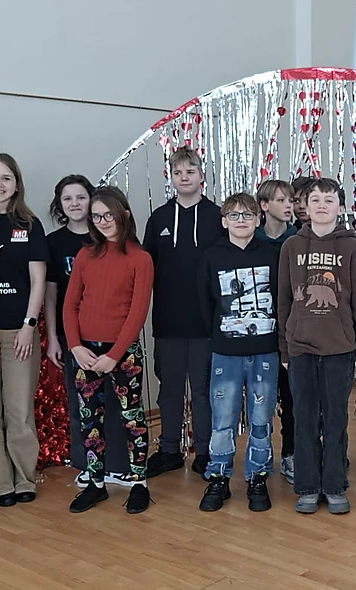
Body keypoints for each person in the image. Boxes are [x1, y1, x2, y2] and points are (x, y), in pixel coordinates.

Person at [277, 178, 356, 515]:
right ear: (305, 206)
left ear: (339, 207)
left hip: (338, 348)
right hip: (300, 348)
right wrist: (285, 347)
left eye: (329, 200)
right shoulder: (291, 246)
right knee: (303, 418)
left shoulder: (352, 247)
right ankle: (307, 486)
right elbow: (283, 299)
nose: (321, 205)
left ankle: (334, 484)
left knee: (334, 419)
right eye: (315, 199)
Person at [63, 186, 155, 514]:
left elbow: (137, 313)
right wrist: (75, 346)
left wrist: (115, 355)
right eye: (96, 216)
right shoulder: (85, 256)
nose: (102, 221)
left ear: (123, 215)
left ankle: (139, 482)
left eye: (108, 215)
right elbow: (70, 304)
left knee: (132, 419)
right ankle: (95, 482)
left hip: (123, 353)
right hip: (85, 352)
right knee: (89, 419)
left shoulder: (140, 259)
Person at [44, 174, 133, 487]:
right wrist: (56, 339)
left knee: (117, 402)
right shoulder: (54, 243)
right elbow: (53, 295)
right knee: (82, 404)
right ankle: (88, 465)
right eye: (67, 198)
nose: (75, 204)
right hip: (75, 338)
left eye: (81, 197)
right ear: (60, 205)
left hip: (114, 338)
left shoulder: (114, 243)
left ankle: (119, 465)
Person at [0, 153, 47, 508]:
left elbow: (38, 281)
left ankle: (24, 479)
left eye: (6, 178)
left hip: (20, 332)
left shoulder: (29, 225)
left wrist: (29, 326)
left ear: (17, 184)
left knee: (18, 410)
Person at [143, 147, 224, 479]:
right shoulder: (159, 218)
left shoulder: (218, 217)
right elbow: (146, 268)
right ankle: (168, 451)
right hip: (168, 323)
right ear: (171, 178)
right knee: (170, 391)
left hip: (207, 323)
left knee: (203, 392)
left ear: (201, 176)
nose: (184, 177)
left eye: (190, 171)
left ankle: (204, 452)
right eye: (178, 172)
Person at [197, 193, 282, 512]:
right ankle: (218, 476)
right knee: (223, 419)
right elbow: (204, 301)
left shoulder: (272, 254)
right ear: (224, 222)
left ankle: (258, 476)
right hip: (226, 352)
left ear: (258, 219)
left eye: (247, 215)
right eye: (234, 215)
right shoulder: (212, 256)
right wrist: (220, 335)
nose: (241, 220)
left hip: (264, 351)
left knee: (261, 418)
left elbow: (282, 298)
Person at [256, 178, 298, 484]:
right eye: (281, 200)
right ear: (264, 205)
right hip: (259, 331)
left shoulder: (298, 239)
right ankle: (260, 456)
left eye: (291, 200)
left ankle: (291, 454)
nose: (288, 206)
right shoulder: (252, 240)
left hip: (291, 331)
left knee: (292, 397)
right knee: (262, 398)